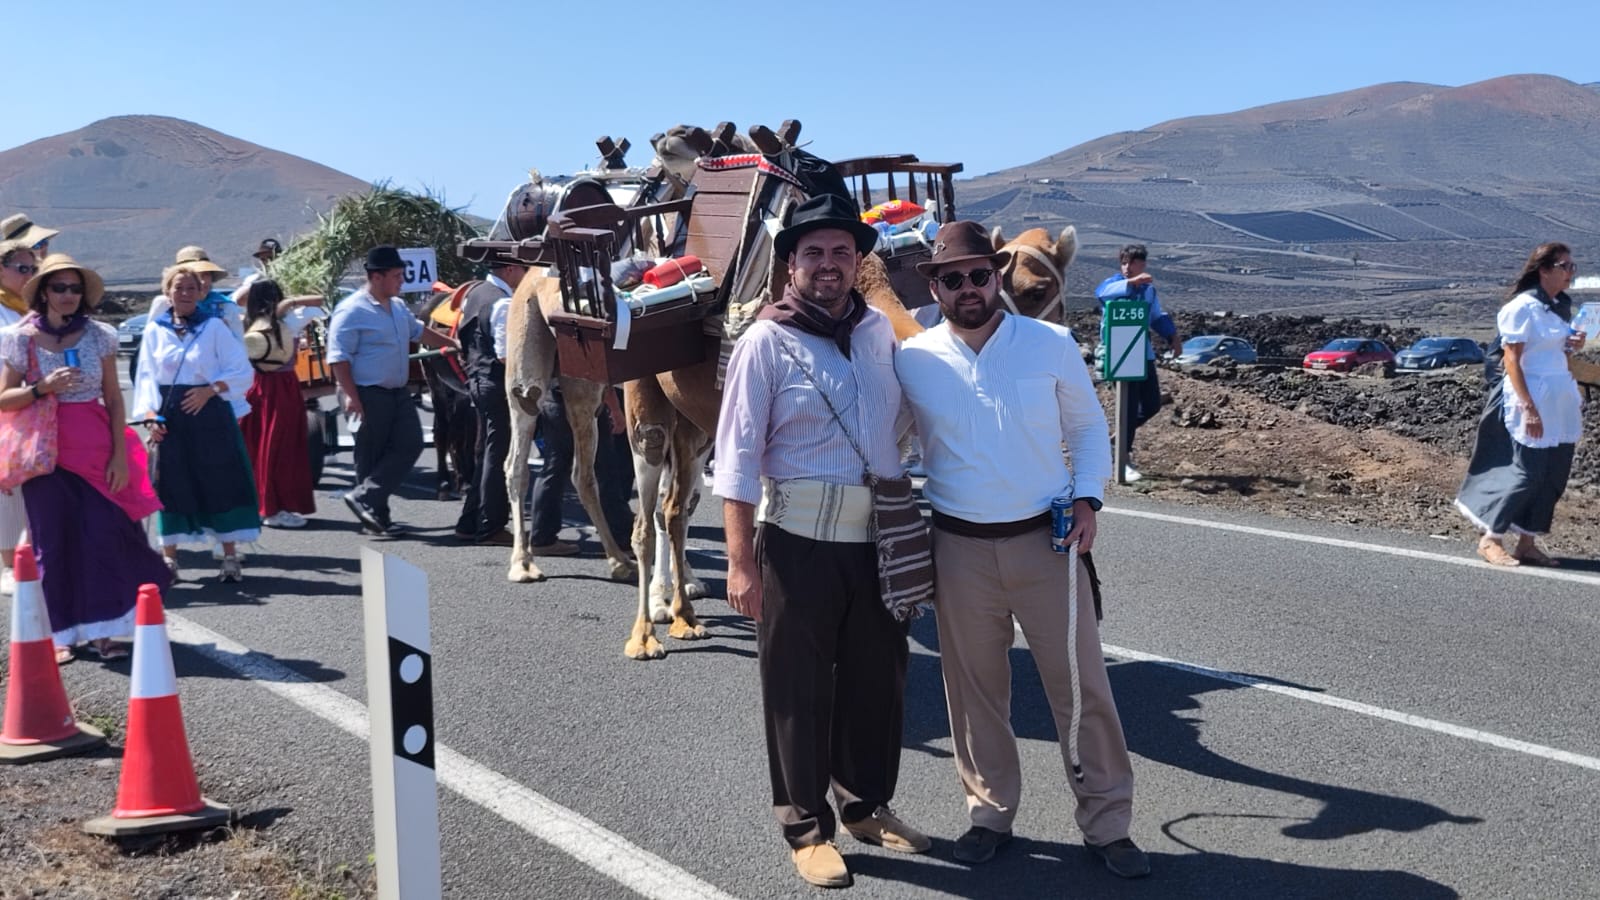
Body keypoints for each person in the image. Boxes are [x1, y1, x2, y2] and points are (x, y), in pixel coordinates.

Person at [896, 220, 1148, 878]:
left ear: (998, 274)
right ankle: (989, 811)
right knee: (974, 691)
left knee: (1082, 686)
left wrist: (1090, 499)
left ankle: (1108, 821)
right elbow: (885, 441)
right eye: (953, 278)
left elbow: (1089, 427)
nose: (969, 287)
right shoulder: (915, 358)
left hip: (1048, 541)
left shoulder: (1051, 344)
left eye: (980, 274)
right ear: (935, 285)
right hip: (958, 548)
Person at [713, 193, 929, 889]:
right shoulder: (764, 343)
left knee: (879, 680)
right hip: (799, 541)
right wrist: (741, 564)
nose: (829, 265)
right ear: (790, 265)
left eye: (842, 252)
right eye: (814, 254)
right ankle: (806, 827)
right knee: (797, 689)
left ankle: (866, 806)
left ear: (858, 262)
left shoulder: (879, 336)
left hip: (879, 541)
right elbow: (737, 460)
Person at [0, 255, 169, 662]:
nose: (68, 295)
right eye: (59, 288)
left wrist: (120, 458)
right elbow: (4, 399)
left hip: (96, 451)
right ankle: (59, 633)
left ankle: (105, 630)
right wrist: (43, 387)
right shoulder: (19, 338)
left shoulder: (100, 336)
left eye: (75, 289)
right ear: (43, 293)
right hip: (46, 456)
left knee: (104, 538)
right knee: (52, 544)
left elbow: (113, 398)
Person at [1456, 243, 1586, 566]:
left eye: (1572, 267)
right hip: (1531, 397)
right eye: (1565, 266)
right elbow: (1512, 359)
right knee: (1527, 472)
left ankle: (1527, 542)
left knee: (1553, 474)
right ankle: (1491, 538)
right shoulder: (1522, 307)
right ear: (1544, 270)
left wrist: (1572, 345)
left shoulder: (1558, 308)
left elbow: (1553, 352)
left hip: (1559, 399)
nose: (1571, 272)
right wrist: (1528, 406)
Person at [131, 264, 260, 582]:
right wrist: (150, 415)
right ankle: (169, 559)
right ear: (167, 293)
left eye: (192, 288)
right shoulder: (155, 331)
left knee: (220, 480)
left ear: (201, 293)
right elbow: (146, 375)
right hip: (170, 417)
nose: (186, 293)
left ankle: (230, 557)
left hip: (211, 416)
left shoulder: (214, 328)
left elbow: (241, 369)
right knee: (171, 484)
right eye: (179, 288)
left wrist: (211, 390)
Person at [327, 246, 456, 535]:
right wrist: (350, 395)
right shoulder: (351, 311)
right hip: (367, 392)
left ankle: (365, 498)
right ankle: (376, 517)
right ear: (376, 277)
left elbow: (419, 331)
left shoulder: (397, 307)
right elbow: (338, 358)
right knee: (371, 454)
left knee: (410, 444)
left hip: (397, 392)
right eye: (396, 275)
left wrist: (453, 344)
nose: (402, 281)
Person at [451, 258, 529, 545]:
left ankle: (469, 521)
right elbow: (506, 354)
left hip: (478, 379)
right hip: (496, 383)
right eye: (524, 269)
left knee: (487, 453)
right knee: (499, 454)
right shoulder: (502, 303)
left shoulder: (476, 293)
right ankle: (491, 526)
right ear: (510, 269)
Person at [238, 278, 323, 529]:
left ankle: (262, 503)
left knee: (259, 447)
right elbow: (321, 301)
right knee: (281, 449)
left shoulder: (245, 321)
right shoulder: (290, 321)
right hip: (283, 388)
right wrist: (291, 301)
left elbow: (236, 298)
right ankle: (274, 508)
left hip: (255, 387)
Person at [1094, 244, 1181, 481]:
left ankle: (1118, 439)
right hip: (1119, 355)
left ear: (1143, 265)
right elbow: (1101, 293)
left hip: (1143, 354)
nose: (1127, 268)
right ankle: (1124, 458)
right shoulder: (1113, 285)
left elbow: (1156, 316)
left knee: (1152, 404)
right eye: (1124, 262)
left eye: (1133, 263)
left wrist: (1172, 336)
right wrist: (1130, 283)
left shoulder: (1149, 291)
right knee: (1128, 406)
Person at [0, 238, 38, 595]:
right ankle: (10, 564)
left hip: (33, 407)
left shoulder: (27, 306)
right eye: (22, 268)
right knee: (8, 488)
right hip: (6, 405)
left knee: (32, 484)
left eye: (33, 269)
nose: (29, 275)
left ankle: (29, 557)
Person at [147, 246, 246, 340]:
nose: (202, 282)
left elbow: (239, 347)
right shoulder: (164, 304)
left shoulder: (225, 307)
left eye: (205, 275)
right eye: (196, 275)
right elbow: (151, 341)